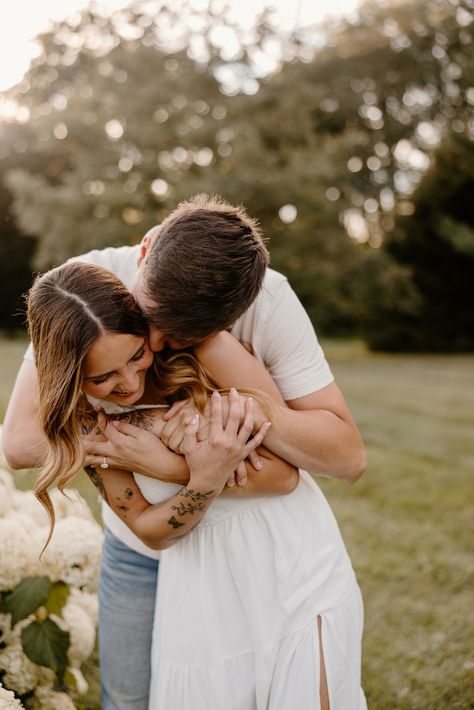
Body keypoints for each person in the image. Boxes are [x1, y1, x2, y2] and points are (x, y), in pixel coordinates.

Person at [3, 194, 366, 709]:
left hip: (275, 550)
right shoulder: (79, 303)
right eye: (149, 320)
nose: (154, 343)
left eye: (172, 337)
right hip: (168, 558)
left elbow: (298, 471)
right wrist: (147, 440)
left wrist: (173, 459)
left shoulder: (241, 322)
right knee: (136, 696)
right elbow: (20, 443)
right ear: (145, 251)